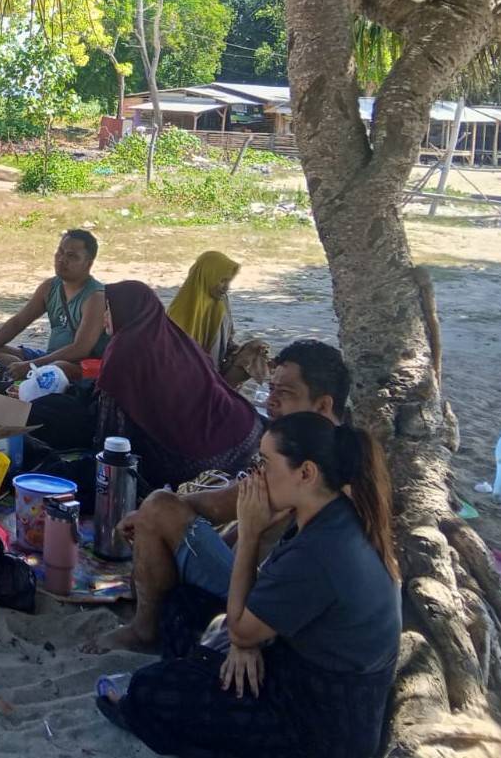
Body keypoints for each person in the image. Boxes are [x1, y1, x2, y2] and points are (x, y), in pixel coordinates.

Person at [99, 413, 401, 758]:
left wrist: (250, 532)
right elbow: (258, 613)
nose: (257, 475)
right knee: (181, 605)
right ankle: (201, 672)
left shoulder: (321, 552)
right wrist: (247, 644)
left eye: (266, 463)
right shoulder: (329, 514)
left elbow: (242, 628)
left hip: (314, 723)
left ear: (306, 473)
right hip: (292, 665)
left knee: (148, 691)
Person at [85, 338, 351, 654]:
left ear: (323, 405)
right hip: (261, 583)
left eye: (285, 393)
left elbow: (227, 509)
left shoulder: (313, 465)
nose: (271, 403)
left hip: (268, 600)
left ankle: (145, 631)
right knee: (160, 512)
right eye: (273, 390)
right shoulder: (325, 447)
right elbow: (236, 505)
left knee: (159, 507)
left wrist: (155, 515)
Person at [96, 281, 262, 490]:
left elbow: (112, 436)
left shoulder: (123, 350)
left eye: (108, 310)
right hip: (246, 430)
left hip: (207, 458)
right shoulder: (172, 334)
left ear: (123, 311)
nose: (104, 318)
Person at [0, 229, 109, 382]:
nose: (62, 259)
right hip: (48, 358)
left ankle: (27, 377)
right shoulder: (50, 287)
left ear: (88, 263)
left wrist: (31, 365)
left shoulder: (95, 297)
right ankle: (25, 378)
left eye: (72, 256)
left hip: (78, 365)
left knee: (58, 368)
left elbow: (81, 349)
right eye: (60, 252)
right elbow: (18, 322)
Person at [166, 251, 268, 387]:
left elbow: (226, 343)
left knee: (255, 349)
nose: (226, 287)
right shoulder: (180, 309)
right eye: (222, 281)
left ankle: (221, 391)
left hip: (215, 369)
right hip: (191, 375)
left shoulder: (221, 302)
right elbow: (171, 355)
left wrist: (240, 351)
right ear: (208, 277)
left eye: (229, 281)